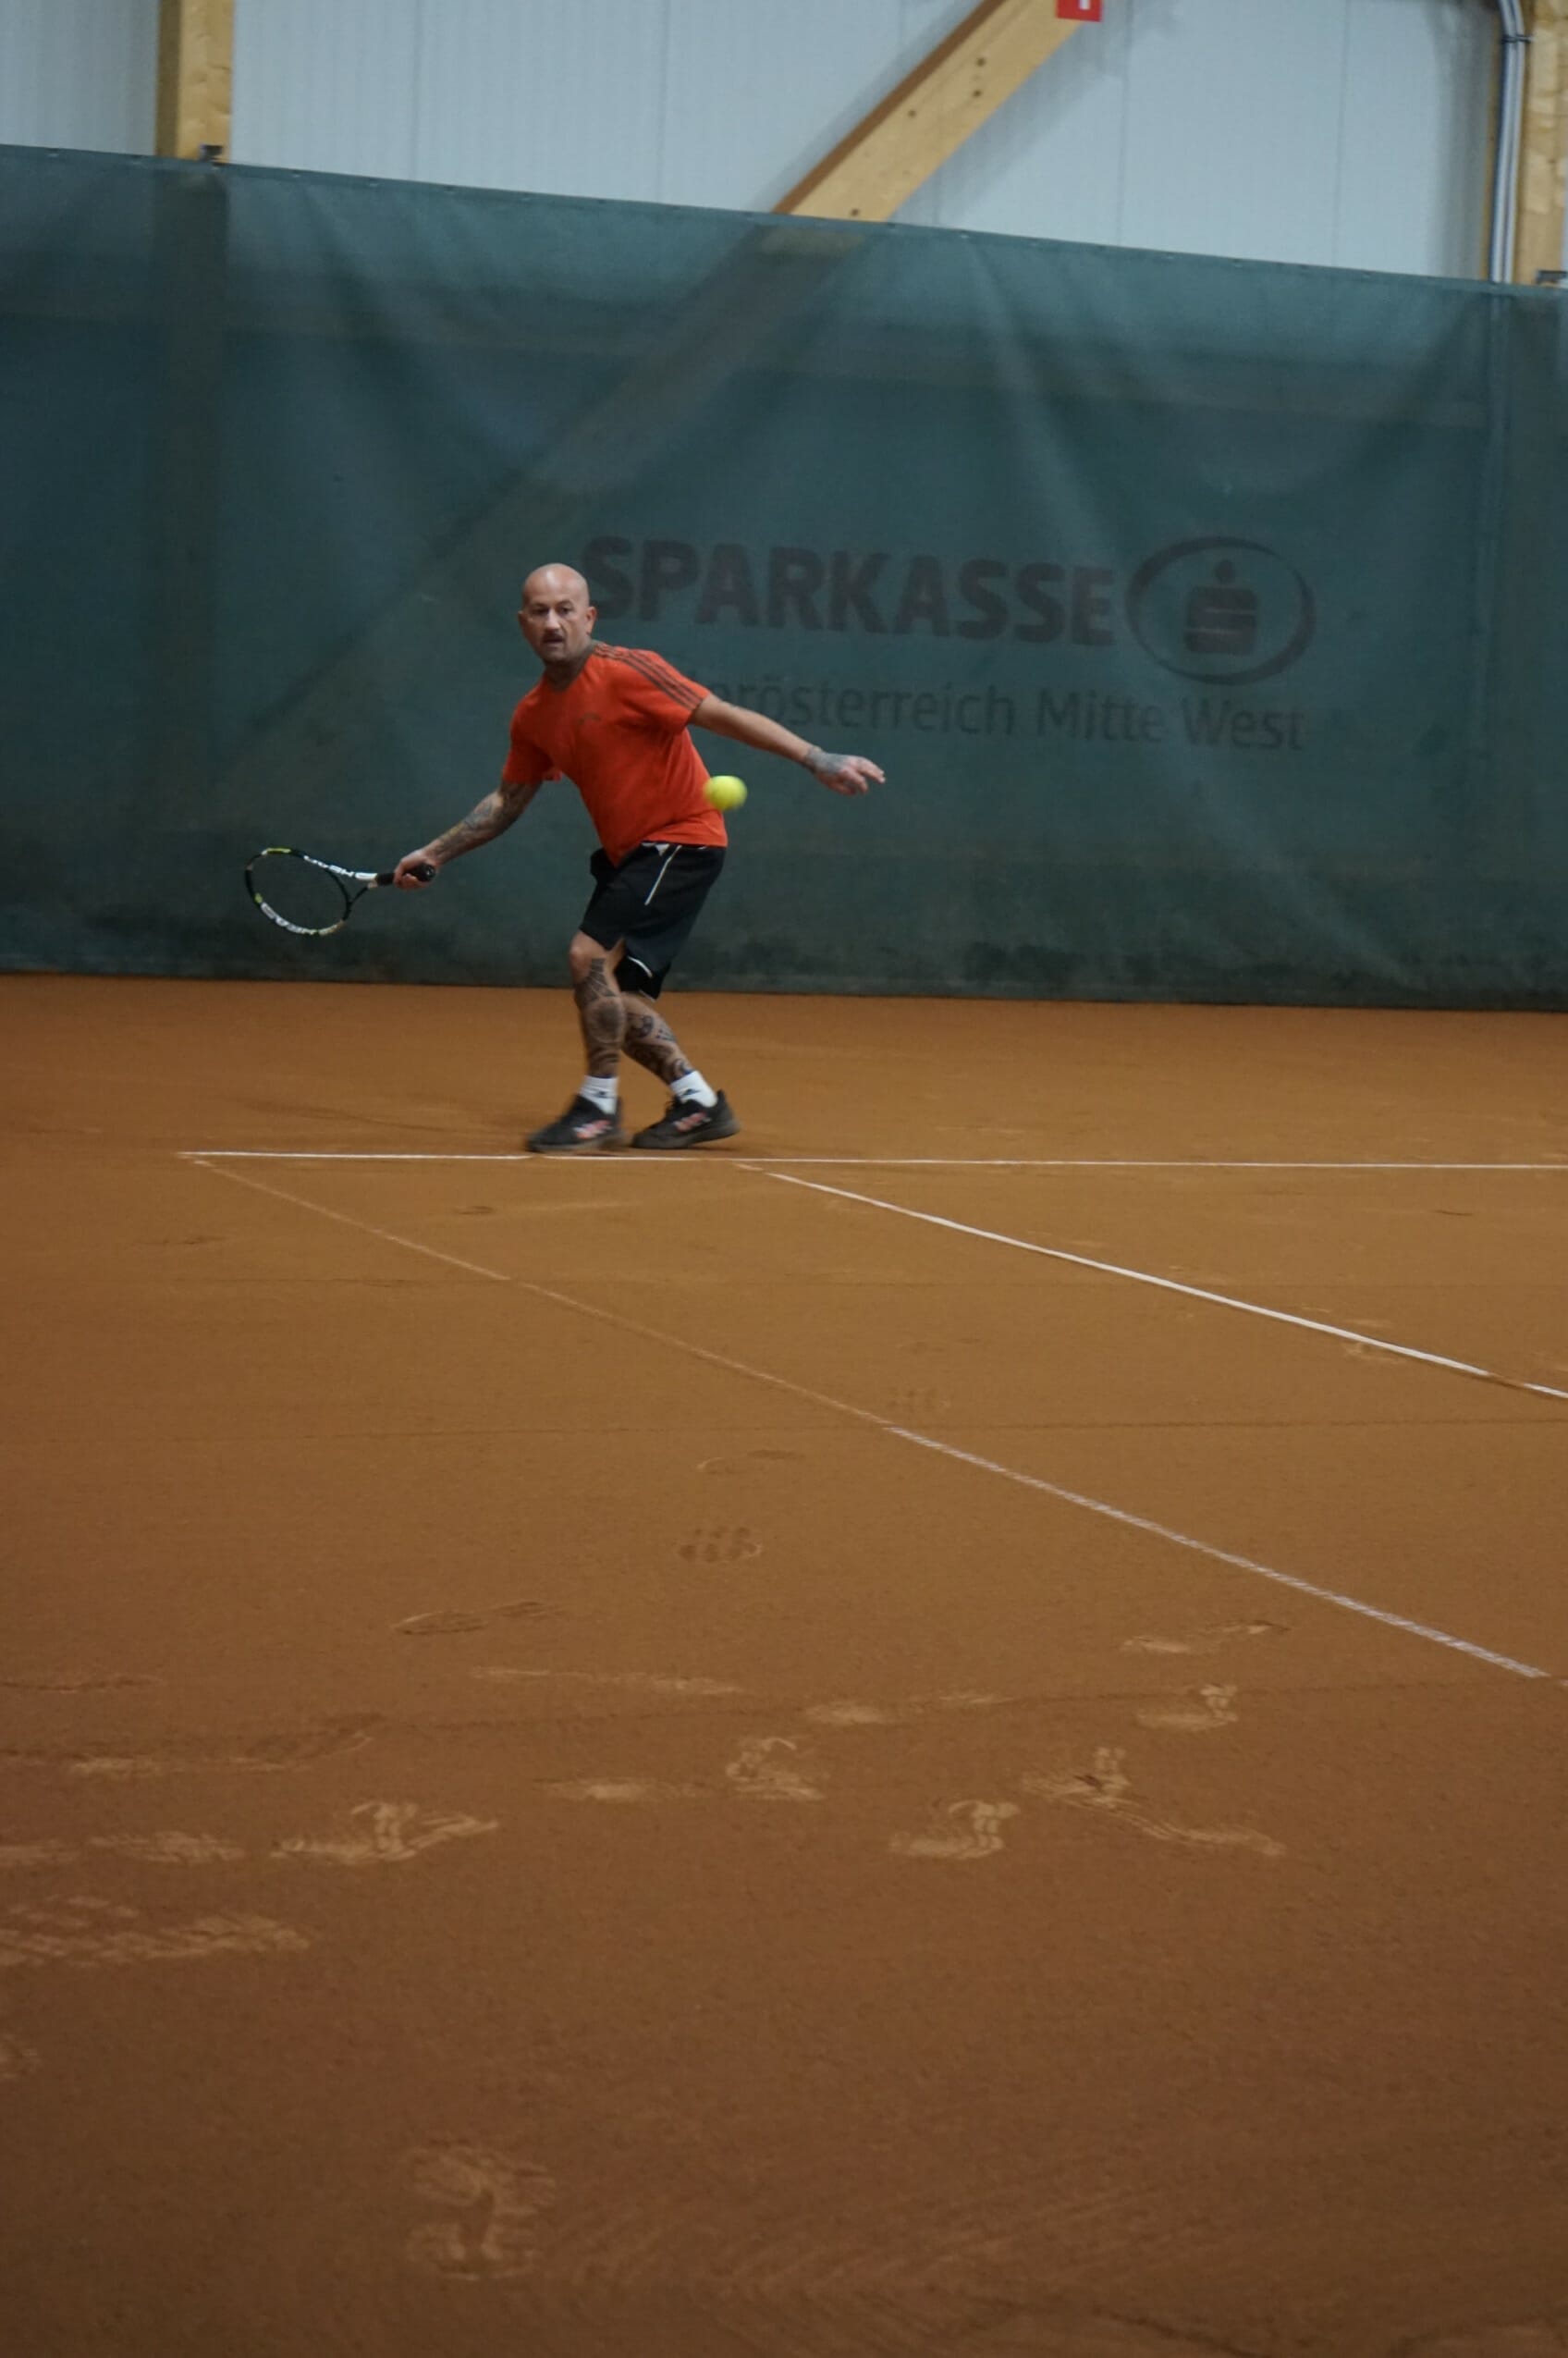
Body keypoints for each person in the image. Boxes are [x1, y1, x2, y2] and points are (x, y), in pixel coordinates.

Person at [394, 563, 884, 1152]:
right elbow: (507, 800)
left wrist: (816, 757)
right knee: (613, 999)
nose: (553, 623)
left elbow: (722, 714)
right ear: (523, 623)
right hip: (632, 856)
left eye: (566, 610)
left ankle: (597, 1108)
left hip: (682, 838)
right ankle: (698, 1102)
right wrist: (435, 853)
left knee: (586, 957)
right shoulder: (533, 714)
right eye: (540, 612)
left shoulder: (629, 670)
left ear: (589, 617)